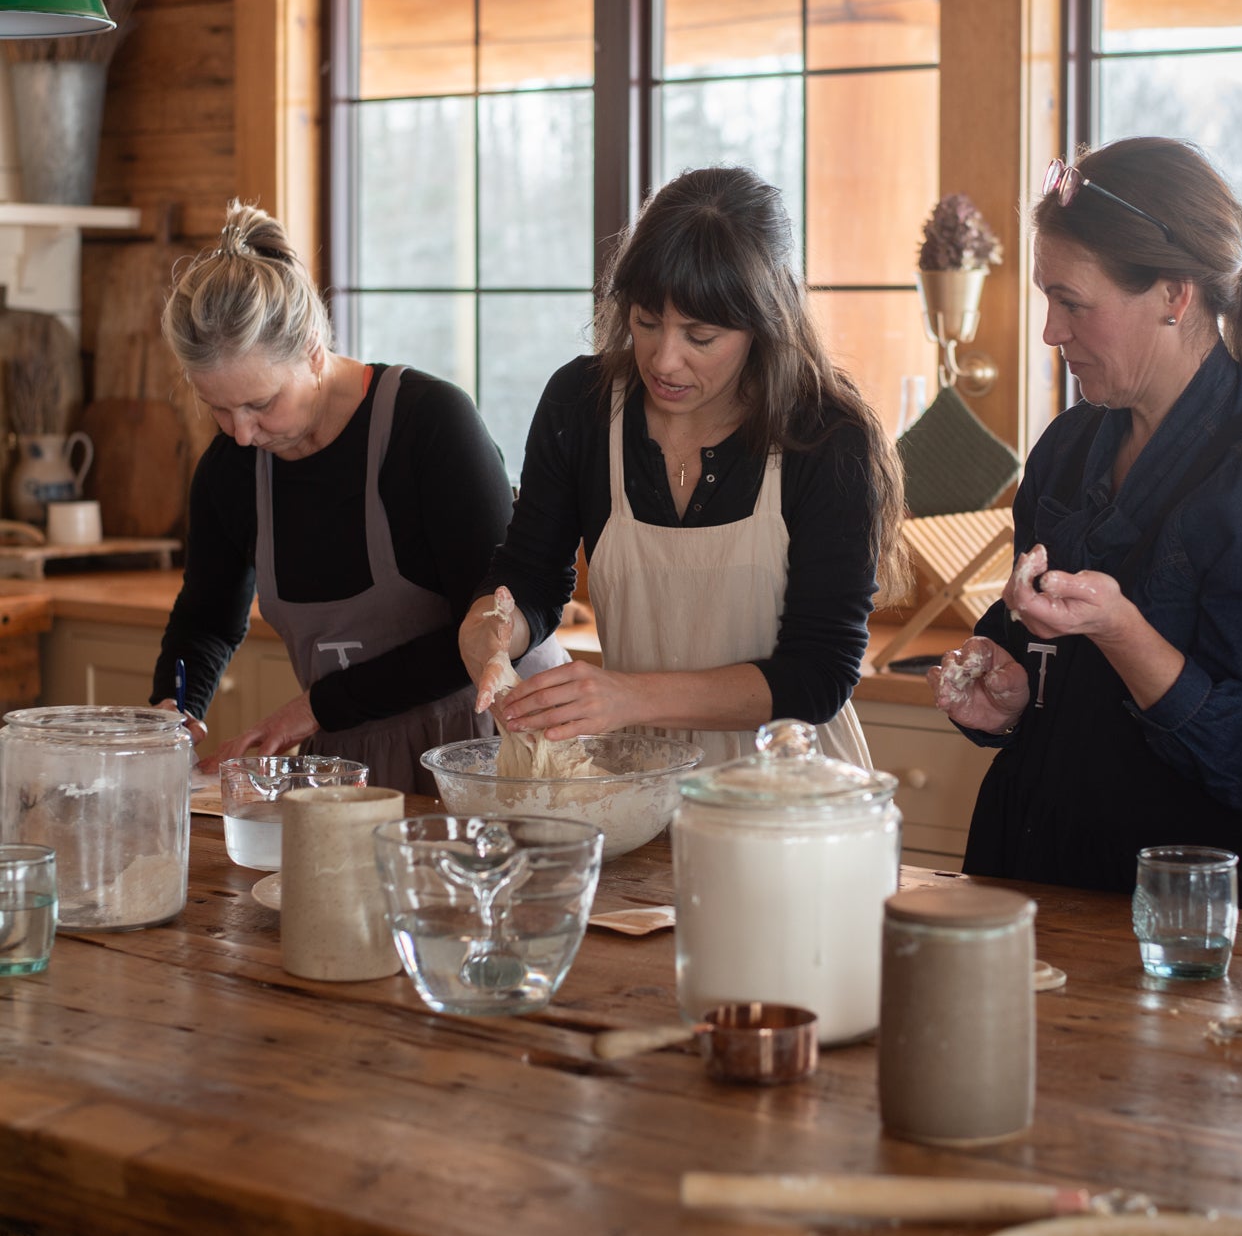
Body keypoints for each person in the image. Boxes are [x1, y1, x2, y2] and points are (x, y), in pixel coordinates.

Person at [930, 137, 1242, 917]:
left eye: (1072, 303)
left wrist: (1122, 632)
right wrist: (1003, 690)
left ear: (1173, 295)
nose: (1050, 332)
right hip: (1027, 876)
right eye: (1046, 299)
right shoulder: (1066, 447)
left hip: (1181, 925)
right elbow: (1024, 647)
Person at [458, 165, 907, 767]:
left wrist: (626, 696)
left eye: (701, 336)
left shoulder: (826, 435)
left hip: (789, 785)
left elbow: (819, 674)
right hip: (637, 776)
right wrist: (490, 632)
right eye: (647, 321)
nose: (664, 360)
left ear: (764, 323)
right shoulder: (581, 405)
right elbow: (529, 579)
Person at [151, 202, 562, 794]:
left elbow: (493, 627)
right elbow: (207, 618)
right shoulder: (230, 470)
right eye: (218, 408)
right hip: (356, 761)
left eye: (261, 404)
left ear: (313, 351)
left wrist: (316, 707)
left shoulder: (430, 425)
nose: (241, 433)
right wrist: (175, 704)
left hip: (499, 743)